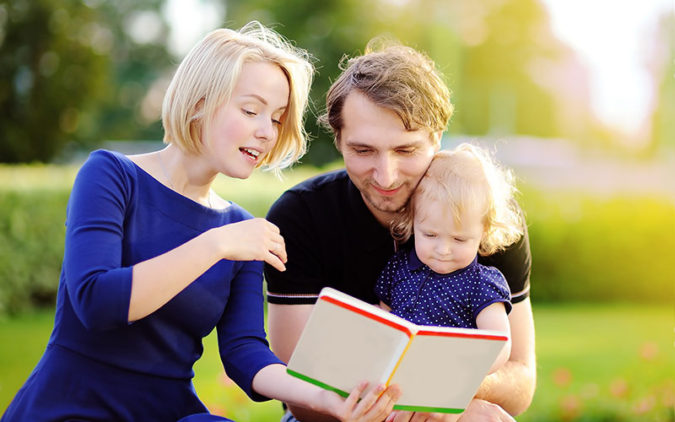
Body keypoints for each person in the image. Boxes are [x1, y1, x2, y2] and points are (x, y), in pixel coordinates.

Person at [2, 23, 400, 422]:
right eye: (250, 110)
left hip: (169, 412)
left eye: (277, 119)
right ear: (199, 102)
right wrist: (216, 245)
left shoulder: (240, 229)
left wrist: (326, 398)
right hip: (73, 406)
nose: (266, 132)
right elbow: (97, 301)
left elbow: (245, 353)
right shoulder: (111, 176)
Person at [265, 40, 536, 422]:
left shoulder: (485, 217)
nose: (386, 176)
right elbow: (302, 400)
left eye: (406, 151)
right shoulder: (301, 218)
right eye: (363, 151)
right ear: (339, 140)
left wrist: (444, 393)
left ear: (437, 137)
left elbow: (521, 384)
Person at [376, 143, 527, 378]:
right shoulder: (399, 267)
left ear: (484, 233)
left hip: (445, 379)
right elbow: (381, 315)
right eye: (430, 235)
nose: (443, 249)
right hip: (394, 375)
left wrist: (463, 377)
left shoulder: (482, 284)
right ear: (413, 221)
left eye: (459, 239)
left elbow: (499, 343)